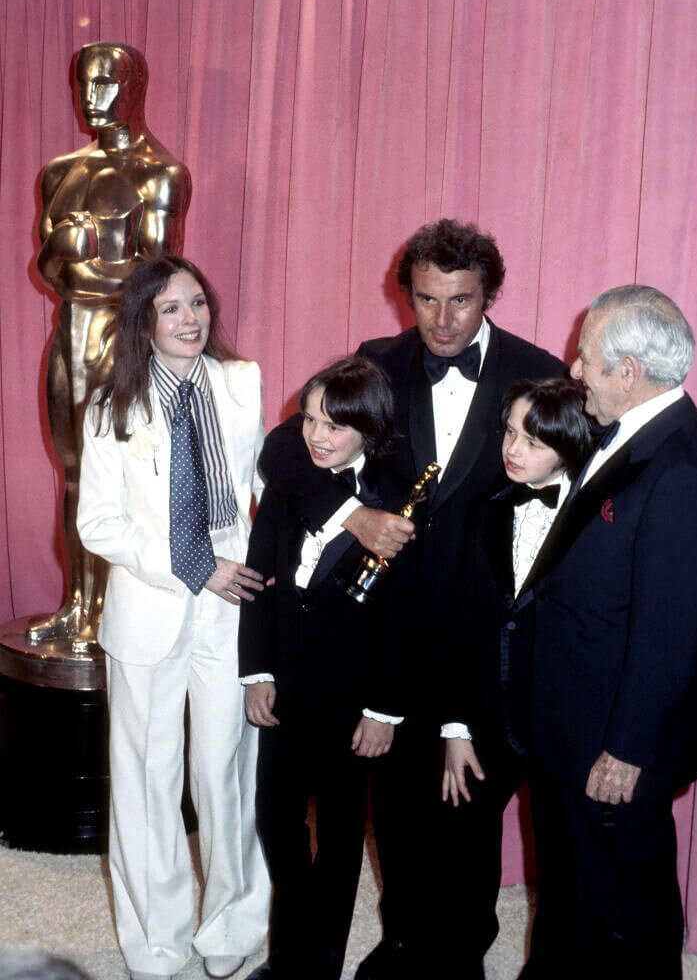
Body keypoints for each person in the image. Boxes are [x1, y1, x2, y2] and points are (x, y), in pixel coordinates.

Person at [257, 219, 565, 979]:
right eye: (425, 299)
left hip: (483, 639)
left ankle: (457, 958)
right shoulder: (378, 363)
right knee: (391, 813)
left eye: (459, 300)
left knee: (467, 815)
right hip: (384, 637)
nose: (441, 319)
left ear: (488, 293)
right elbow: (283, 449)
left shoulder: (538, 371)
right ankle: (398, 946)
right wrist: (350, 514)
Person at [523, 286, 697, 979]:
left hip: (615, 736)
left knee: (624, 905)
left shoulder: (681, 469)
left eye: (585, 359)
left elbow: (671, 629)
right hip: (574, 714)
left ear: (627, 371)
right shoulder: (636, 434)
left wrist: (626, 750)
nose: (573, 371)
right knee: (575, 889)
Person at [77, 256, 270, 980]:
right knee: (147, 777)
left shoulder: (241, 382)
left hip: (232, 598)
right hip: (151, 601)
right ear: (143, 325)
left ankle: (232, 930)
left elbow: (266, 486)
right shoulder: (108, 407)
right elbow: (97, 524)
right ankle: (155, 943)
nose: (191, 320)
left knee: (224, 771)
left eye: (197, 304)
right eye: (171, 310)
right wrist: (190, 565)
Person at [240, 357, 416, 980]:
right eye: (309, 419)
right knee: (273, 816)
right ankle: (296, 944)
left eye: (333, 427)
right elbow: (260, 578)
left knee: (342, 838)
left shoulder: (400, 502)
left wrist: (383, 710)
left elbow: (404, 620)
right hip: (285, 687)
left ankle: (313, 966)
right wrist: (257, 671)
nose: (314, 436)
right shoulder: (294, 482)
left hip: (353, 703)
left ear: (368, 432)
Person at [30, 42, 191, 648]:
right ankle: (77, 605)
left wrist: (79, 254)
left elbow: (156, 275)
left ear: (135, 87)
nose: (92, 100)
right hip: (69, 331)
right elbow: (48, 269)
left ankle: (112, 615)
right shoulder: (59, 172)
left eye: (106, 85)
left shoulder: (161, 174)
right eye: (84, 85)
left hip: (124, 337)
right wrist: (85, 254)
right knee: (73, 474)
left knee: (119, 479)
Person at [439, 378, 594, 975]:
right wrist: (454, 725)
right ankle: (459, 959)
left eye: (532, 439)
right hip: (481, 716)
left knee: (562, 862)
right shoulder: (485, 512)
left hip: (561, 721)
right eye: (508, 432)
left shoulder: (596, 518)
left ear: (569, 442)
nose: (513, 448)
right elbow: (459, 623)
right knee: (464, 850)